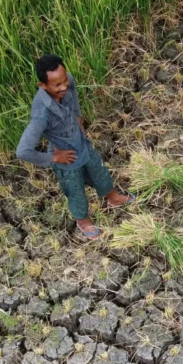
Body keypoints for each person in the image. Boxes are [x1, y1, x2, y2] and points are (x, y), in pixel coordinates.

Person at [16, 54, 135, 240]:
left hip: (82, 143)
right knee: (75, 189)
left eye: (64, 81)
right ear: (43, 85)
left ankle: (113, 198)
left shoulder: (67, 80)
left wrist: (78, 118)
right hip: (67, 158)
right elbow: (23, 151)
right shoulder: (41, 114)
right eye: (57, 85)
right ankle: (83, 221)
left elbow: (74, 98)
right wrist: (54, 158)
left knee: (99, 171)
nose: (64, 86)